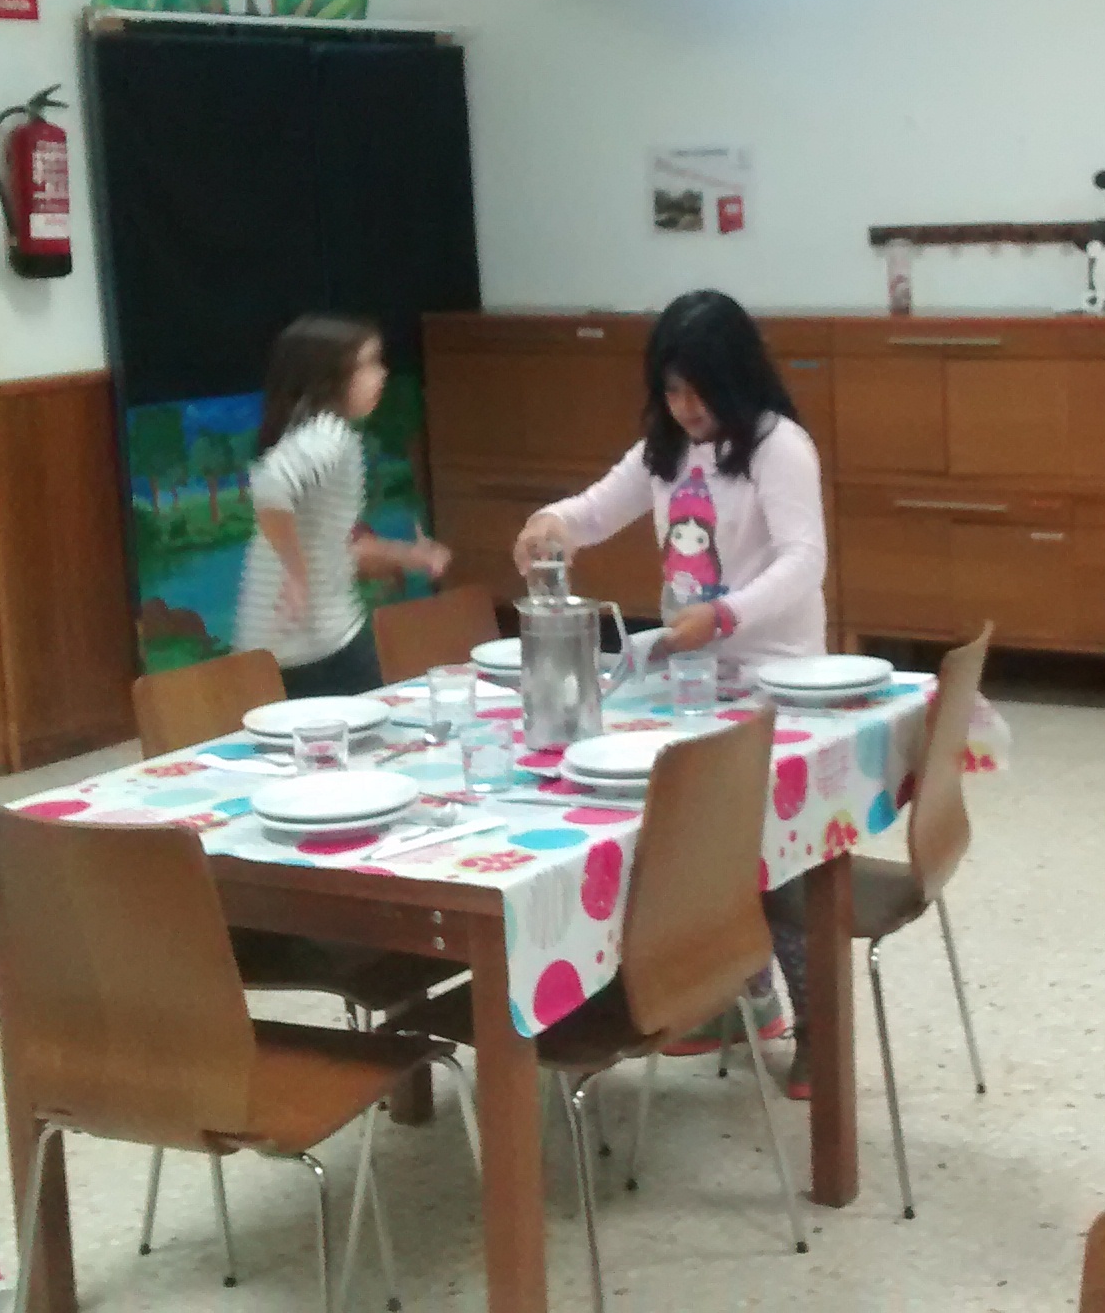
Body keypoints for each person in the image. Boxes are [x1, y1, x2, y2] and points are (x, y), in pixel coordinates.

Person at [513, 289, 828, 1094]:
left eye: (700, 390)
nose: (686, 408)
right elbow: (591, 513)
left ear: (738, 378)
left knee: (777, 858)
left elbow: (804, 560)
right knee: (681, 843)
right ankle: (739, 1001)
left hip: (774, 681)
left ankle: (821, 1031)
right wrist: (550, 524)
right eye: (673, 390)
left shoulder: (778, 447)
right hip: (691, 682)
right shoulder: (665, 449)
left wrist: (724, 615)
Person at [235, 315, 449, 697]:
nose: (382, 374)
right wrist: (296, 572)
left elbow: (340, 548)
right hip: (297, 650)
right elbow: (270, 488)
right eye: (369, 364)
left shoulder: (332, 438)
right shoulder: (326, 437)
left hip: (327, 637)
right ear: (329, 377)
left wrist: (409, 556)